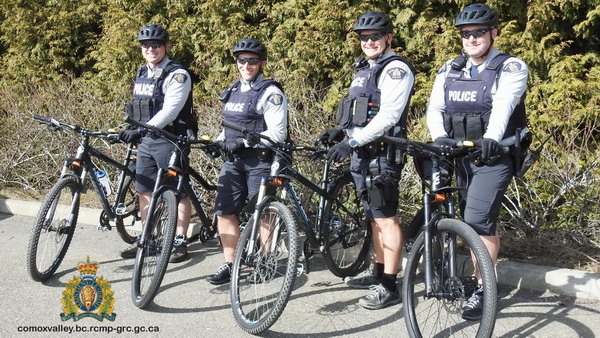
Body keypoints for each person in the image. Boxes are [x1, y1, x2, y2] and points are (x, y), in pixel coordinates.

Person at [425, 3, 528, 320]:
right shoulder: (451, 68)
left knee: (477, 220)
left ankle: (485, 290)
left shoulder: (510, 67)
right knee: (476, 219)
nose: (471, 38)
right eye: (466, 33)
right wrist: (438, 136)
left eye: (479, 32)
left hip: (493, 156)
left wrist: (492, 138)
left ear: (493, 33)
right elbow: (435, 107)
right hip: (458, 155)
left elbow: (503, 107)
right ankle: (480, 276)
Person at [319, 11, 415, 310]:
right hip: (362, 153)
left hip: (382, 154)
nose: (369, 42)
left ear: (388, 37)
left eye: (375, 36)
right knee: (373, 215)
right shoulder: (365, 68)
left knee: (386, 217)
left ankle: (390, 285)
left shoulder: (396, 68)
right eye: (364, 37)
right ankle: (377, 273)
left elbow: (388, 116)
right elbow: (361, 112)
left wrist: (353, 141)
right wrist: (341, 131)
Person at [206, 38, 288, 285]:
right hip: (233, 162)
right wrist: (218, 142)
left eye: (252, 61)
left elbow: (277, 134)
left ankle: (265, 261)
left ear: (261, 63)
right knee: (224, 212)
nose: (246, 65)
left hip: (260, 161)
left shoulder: (270, 92)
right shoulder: (233, 90)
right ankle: (232, 263)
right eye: (242, 60)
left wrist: (244, 143)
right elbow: (229, 126)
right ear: (237, 62)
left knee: (263, 214)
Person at [119, 24, 197, 263]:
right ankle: (148, 238)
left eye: (156, 45)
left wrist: (141, 130)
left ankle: (180, 240)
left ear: (165, 47)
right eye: (146, 45)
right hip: (147, 140)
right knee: (143, 188)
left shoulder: (177, 74)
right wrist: (132, 128)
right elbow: (140, 107)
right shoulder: (142, 72)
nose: (150, 49)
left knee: (178, 190)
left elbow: (170, 111)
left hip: (171, 139)